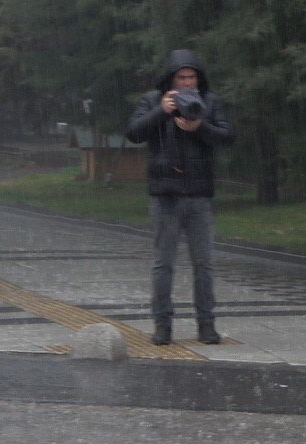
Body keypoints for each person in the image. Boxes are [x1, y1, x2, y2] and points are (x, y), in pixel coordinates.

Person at [126, 49, 236, 346]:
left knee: (204, 264)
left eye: (192, 78)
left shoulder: (210, 102)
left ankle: (206, 324)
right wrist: (162, 111)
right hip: (165, 197)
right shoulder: (153, 100)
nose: (188, 84)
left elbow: (228, 137)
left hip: (199, 195)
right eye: (181, 78)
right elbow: (134, 133)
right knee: (164, 264)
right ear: (170, 80)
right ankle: (162, 325)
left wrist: (200, 127)